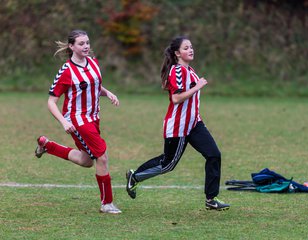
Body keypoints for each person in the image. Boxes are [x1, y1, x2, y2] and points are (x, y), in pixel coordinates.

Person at [126, 36, 230, 211]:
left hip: (195, 124)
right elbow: (176, 98)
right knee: (168, 164)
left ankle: (211, 199)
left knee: (214, 155)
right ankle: (135, 177)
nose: (191, 50)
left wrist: (196, 87)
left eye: (191, 47)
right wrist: (197, 87)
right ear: (177, 53)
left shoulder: (190, 71)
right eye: (186, 48)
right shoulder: (177, 71)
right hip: (178, 126)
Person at [35, 29, 121, 214]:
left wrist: (108, 93)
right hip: (77, 119)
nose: (86, 46)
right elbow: (51, 102)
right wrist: (63, 122)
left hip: (94, 117)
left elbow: (95, 85)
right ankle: (107, 203)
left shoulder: (93, 62)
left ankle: (47, 146)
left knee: (87, 160)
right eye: (81, 44)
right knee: (102, 156)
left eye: (87, 43)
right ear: (72, 46)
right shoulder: (66, 72)